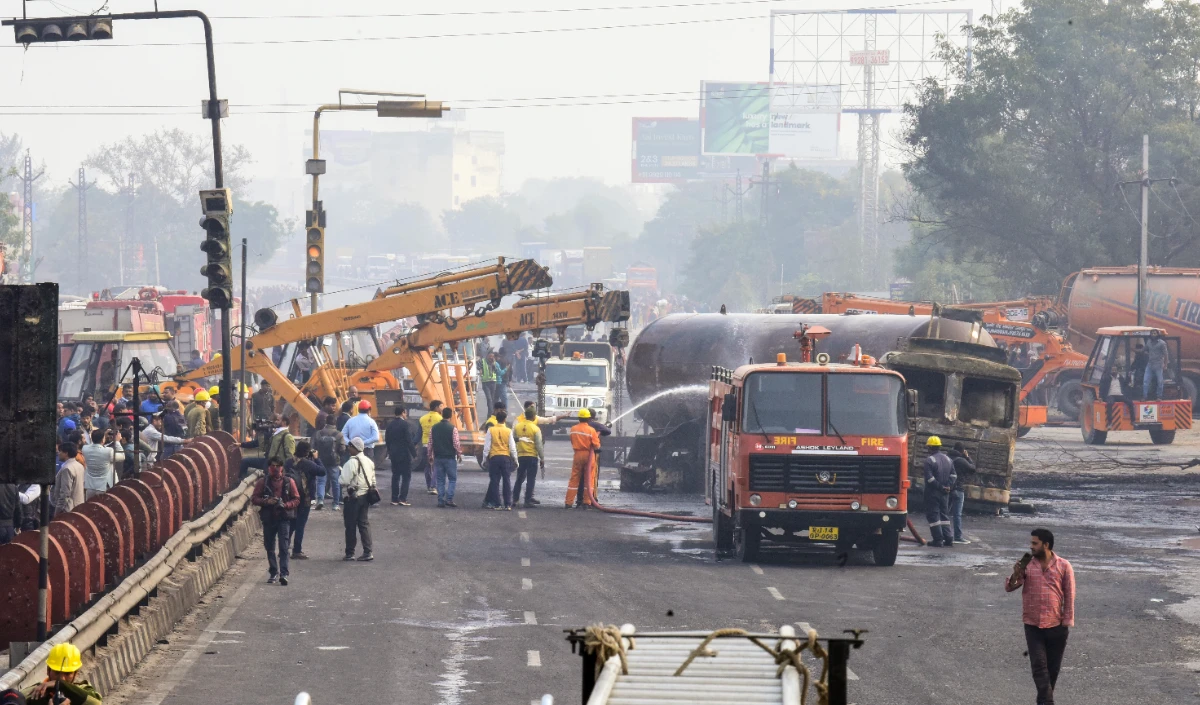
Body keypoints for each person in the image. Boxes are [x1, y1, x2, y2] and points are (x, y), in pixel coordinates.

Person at [1005, 528, 1076, 705]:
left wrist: (1067, 621)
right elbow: (1010, 586)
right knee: (1038, 667)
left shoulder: (1063, 565)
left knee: (1051, 671)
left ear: (1046, 545)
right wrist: (1015, 573)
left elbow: (1069, 594)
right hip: (1033, 625)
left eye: (1035, 543)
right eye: (1031, 543)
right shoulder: (1027, 565)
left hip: (1057, 626)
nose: (1031, 547)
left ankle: (1043, 701)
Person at [251, 458, 300, 585]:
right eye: (273, 466)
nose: (276, 468)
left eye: (278, 466)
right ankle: (273, 572)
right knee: (269, 547)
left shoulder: (289, 482)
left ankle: (284, 573)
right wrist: (266, 501)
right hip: (268, 518)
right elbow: (255, 498)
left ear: (282, 468)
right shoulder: (263, 482)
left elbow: (296, 499)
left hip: (284, 518)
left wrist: (286, 505)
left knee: (284, 547)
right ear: (269, 468)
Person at [20, 642, 102, 705]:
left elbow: (97, 703)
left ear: (75, 673)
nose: (62, 678)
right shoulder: (34, 693)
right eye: (57, 672)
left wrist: (60, 685)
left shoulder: (83, 691)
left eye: (67, 674)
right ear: (48, 670)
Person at [340, 438, 376, 561]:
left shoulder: (351, 463)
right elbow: (373, 480)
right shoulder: (369, 461)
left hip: (353, 498)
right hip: (365, 497)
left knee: (350, 525)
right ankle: (368, 551)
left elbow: (344, 480)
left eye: (350, 446)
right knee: (364, 524)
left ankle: (350, 553)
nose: (348, 448)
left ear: (355, 448)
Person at [286, 441, 324, 561]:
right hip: (304, 497)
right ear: (307, 452)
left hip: (291, 496)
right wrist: (317, 459)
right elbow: (322, 471)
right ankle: (297, 550)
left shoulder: (288, 462)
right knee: (300, 524)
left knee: (291, 523)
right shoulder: (308, 463)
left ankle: (284, 547)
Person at [921, 436, 956, 548]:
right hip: (945, 493)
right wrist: (948, 486)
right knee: (944, 515)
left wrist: (940, 487)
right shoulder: (948, 459)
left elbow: (930, 479)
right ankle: (949, 538)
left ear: (930, 447)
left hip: (933, 493)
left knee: (933, 516)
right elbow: (954, 475)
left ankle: (938, 540)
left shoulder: (929, 460)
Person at [428, 407, 463, 508]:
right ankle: (449, 499)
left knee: (440, 480)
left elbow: (430, 443)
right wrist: (459, 454)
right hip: (450, 457)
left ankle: (440, 500)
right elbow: (456, 443)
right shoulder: (453, 428)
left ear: (442, 414)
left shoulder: (434, 428)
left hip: (438, 457)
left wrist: (430, 455)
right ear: (451, 416)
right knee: (452, 479)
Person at [483, 410, 518, 510]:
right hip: (505, 458)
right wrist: (515, 460)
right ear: (505, 419)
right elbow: (512, 447)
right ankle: (508, 504)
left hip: (494, 458)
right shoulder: (508, 431)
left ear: (496, 419)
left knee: (494, 481)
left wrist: (484, 459)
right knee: (506, 481)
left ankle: (497, 503)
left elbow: (487, 447)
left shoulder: (491, 430)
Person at [566, 409, 601, 508]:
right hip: (589, 456)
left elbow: (572, 441)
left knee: (574, 479)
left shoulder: (573, 428)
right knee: (588, 479)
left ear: (579, 418)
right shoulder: (591, 430)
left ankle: (568, 502)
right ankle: (587, 502)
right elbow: (596, 445)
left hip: (577, 454)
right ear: (589, 418)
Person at [513, 408, 545, 508]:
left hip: (520, 456)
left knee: (519, 478)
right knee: (531, 479)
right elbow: (539, 445)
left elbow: (513, 440)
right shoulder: (535, 429)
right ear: (534, 416)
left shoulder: (517, 426)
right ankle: (527, 500)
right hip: (532, 456)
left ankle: (515, 499)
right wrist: (542, 458)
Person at [385, 406, 417, 506]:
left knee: (395, 476)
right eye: (405, 413)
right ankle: (402, 499)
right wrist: (414, 453)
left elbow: (387, 439)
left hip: (393, 454)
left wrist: (389, 451)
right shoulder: (405, 425)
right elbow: (409, 440)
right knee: (406, 476)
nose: (406, 415)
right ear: (403, 412)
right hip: (404, 454)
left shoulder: (390, 424)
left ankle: (394, 499)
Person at [312, 419, 345, 510]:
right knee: (335, 482)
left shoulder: (318, 433)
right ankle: (335, 504)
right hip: (334, 462)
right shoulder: (339, 434)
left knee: (321, 481)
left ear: (326, 422)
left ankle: (320, 501)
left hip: (321, 460)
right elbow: (342, 449)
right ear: (335, 423)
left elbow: (313, 446)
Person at [81, 429, 123, 500]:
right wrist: (117, 442)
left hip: (90, 487)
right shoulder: (108, 451)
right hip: (104, 487)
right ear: (103, 440)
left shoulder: (85, 449)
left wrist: (103, 437)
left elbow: (94, 445)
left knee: (89, 508)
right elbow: (122, 456)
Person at [947, 442, 974, 545]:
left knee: (944, 513)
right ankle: (957, 536)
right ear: (963, 451)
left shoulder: (946, 458)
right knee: (957, 514)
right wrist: (967, 457)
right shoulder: (962, 461)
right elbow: (973, 469)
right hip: (958, 490)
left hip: (947, 489)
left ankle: (943, 534)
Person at [417, 400, 445, 495]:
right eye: (441, 406)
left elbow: (418, 435)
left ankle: (429, 486)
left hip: (425, 445)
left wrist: (412, 445)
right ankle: (434, 487)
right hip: (436, 446)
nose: (442, 408)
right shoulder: (440, 418)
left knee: (427, 467)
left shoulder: (422, 418)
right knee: (436, 466)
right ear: (437, 407)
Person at [52, 443, 85, 516]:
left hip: (68, 509)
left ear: (66, 453)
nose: (58, 453)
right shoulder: (79, 465)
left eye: (60, 451)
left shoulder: (67, 468)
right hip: (78, 506)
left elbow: (65, 493)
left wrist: (58, 510)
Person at [1144, 330, 1170, 400]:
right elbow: (1145, 349)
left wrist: (1165, 365)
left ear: (1157, 334)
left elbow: (1166, 355)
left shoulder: (1162, 343)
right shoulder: (1148, 342)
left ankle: (1159, 396)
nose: (1153, 334)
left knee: (1160, 381)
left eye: (1155, 333)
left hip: (1158, 365)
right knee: (1146, 381)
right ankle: (1145, 396)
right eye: (1152, 333)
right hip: (1150, 364)